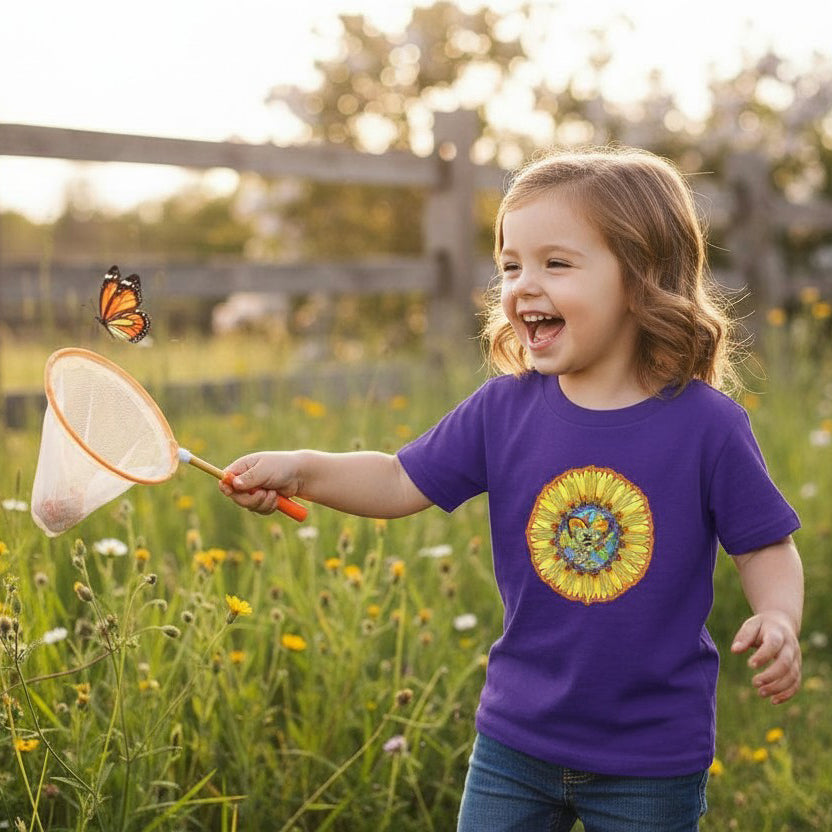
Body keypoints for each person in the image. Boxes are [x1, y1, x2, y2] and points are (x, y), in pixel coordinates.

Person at [219, 147, 803, 831]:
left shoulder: (707, 426)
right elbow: (400, 478)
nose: (524, 285)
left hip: (651, 750)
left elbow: (765, 545)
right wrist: (304, 470)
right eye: (510, 265)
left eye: (556, 263)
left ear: (641, 279)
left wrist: (779, 617)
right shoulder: (504, 410)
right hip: (516, 738)